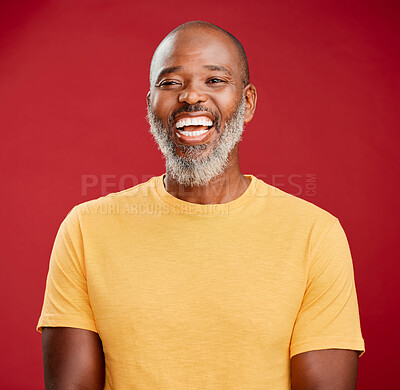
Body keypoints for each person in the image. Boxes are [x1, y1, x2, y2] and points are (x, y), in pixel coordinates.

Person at [37, 20, 365, 389]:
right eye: (170, 83)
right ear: (150, 106)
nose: (191, 96)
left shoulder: (315, 235)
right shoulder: (86, 230)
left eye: (215, 81)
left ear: (248, 102)